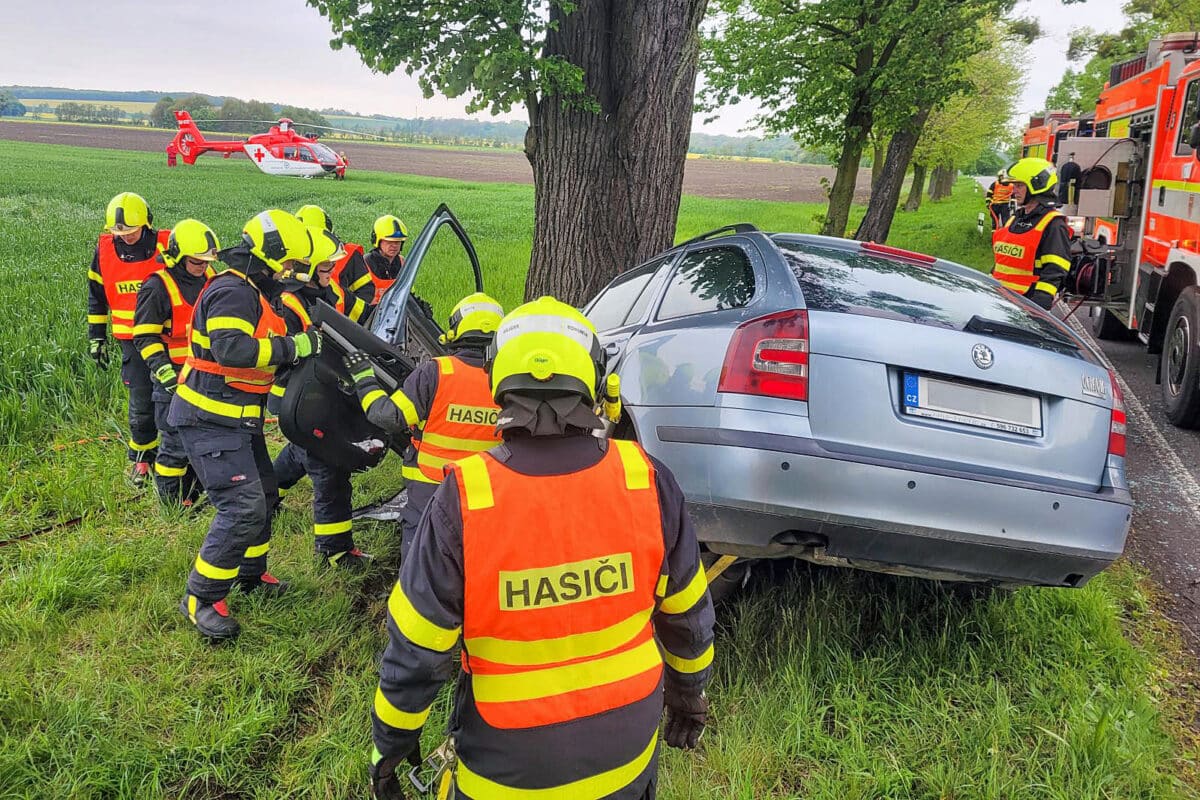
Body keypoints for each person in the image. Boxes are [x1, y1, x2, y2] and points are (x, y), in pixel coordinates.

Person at [366, 296, 716, 800]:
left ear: (499, 386)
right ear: (594, 382)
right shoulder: (644, 479)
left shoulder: (465, 497)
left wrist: (390, 750)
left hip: (504, 772)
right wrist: (689, 697)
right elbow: (687, 617)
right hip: (628, 762)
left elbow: (417, 653)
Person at [171, 209, 320, 640]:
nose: (290, 275)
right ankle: (201, 597)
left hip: (237, 419)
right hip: (208, 418)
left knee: (266, 494)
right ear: (268, 257)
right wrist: (293, 347)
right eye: (288, 266)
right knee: (242, 506)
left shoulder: (253, 292)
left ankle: (250, 575)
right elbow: (231, 350)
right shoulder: (233, 292)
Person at [344, 292, 505, 559]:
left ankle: (414, 597)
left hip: (430, 484)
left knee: (422, 551)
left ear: (456, 331)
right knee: (479, 549)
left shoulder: (437, 372)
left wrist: (364, 380)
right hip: (487, 485)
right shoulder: (506, 378)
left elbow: (388, 417)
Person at [270, 226, 373, 572]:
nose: (332, 273)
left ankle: (268, 495)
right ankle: (334, 552)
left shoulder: (328, 292)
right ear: (307, 271)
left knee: (304, 452)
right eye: (326, 268)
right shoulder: (288, 304)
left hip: (323, 389)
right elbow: (284, 356)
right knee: (331, 470)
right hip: (301, 395)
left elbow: (357, 316)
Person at [132, 219, 217, 508]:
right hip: (173, 378)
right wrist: (164, 371)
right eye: (196, 262)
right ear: (178, 257)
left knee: (203, 439)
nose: (202, 267)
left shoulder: (211, 280)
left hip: (205, 375)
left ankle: (192, 494)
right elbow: (144, 336)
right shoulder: (157, 287)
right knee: (175, 444)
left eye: (207, 262)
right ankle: (170, 505)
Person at [88, 192, 171, 484]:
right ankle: (142, 460)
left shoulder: (167, 244)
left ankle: (175, 457)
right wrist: (96, 337)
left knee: (173, 399)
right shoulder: (104, 252)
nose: (125, 237)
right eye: (118, 232)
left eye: (131, 231)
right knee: (140, 403)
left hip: (169, 339)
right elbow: (96, 297)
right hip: (131, 342)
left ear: (146, 224)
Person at [991, 157, 1072, 310]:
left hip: (1026, 303)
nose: (1013, 190)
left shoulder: (1053, 224)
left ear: (1038, 185)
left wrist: (1039, 304)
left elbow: (1055, 269)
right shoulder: (1015, 218)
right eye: (1014, 185)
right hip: (1000, 298)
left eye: (1019, 185)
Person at [295, 205, 370, 320]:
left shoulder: (334, 289)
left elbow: (366, 314)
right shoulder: (286, 300)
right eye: (326, 264)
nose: (332, 269)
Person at [337, 215, 418, 314]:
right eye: (389, 241)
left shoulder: (403, 263)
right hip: (367, 319)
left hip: (395, 318)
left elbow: (409, 294)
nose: (394, 245)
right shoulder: (364, 263)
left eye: (398, 242)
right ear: (377, 240)